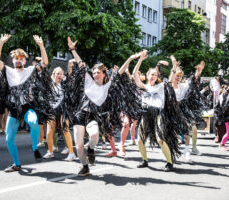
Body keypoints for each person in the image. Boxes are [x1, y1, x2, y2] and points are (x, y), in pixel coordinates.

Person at [67, 37, 142, 176]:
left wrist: (130, 59)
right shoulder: (88, 80)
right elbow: (80, 63)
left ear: (103, 74)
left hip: (94, 115)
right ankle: (85, 166)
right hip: (81, 113)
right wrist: (72, 49)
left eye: (98, 72)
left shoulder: (107, 85)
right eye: (94, 72)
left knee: (94, 136)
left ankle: (91, 149)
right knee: (78, 146)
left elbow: (120, 71)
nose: (95, 74)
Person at [0, 34, 51, 172]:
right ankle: (16, 164)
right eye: (16, 58)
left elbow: (45, 63)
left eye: (21, 58)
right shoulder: (8, 71)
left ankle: (34, 147)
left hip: (27, 106)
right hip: (13, 108)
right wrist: (1, 43)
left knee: (33, 122)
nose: (19, 60)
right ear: (12, 60)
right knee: (8, 139)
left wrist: (41, 45)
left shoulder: (30, 70)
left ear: (25, 61)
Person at [133, 50, 181, 172]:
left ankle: (169, 163)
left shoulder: (161, 86)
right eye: (151, 74)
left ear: (157, 76)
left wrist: (173, 65)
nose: (153, 76)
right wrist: (140, 59)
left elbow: (171, 79)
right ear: (147, 75)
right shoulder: (144, 87)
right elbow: (134, 74)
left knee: (160, 139)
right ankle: (144, 160)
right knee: (139, 140)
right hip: (145, 113)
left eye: (155, 74)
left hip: (159, 113)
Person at [43, 65, 76, 161]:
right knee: (49, 132)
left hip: (63, 109)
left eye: (61, 74)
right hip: (52, 110)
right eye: (58, 73)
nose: (60, 75)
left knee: (65, 129)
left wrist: (69, 66)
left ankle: (71, 153)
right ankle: (50, 152)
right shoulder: (49, 84)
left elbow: (71, 79)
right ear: (53, 74)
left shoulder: (65, 84)